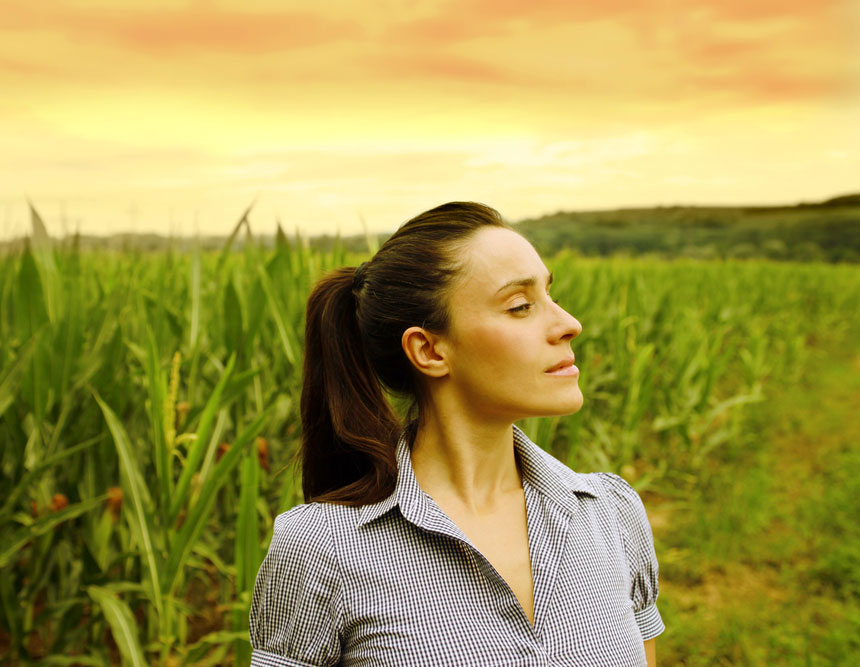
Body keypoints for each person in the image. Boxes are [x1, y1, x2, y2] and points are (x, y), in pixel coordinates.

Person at [249, 202, 664, 666]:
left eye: (550, 295)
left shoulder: (611, 513)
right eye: (521, 306)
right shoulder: (321, 549)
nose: (569, 324)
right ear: (428, 350)